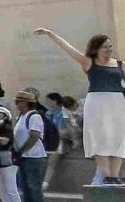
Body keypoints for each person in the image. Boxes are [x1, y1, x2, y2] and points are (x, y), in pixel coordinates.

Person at [35, 27, 125, 186]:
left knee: (118, 138)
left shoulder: (119, 64)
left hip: (116, 101)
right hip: (97, 102)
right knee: (100, 138)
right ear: (96, 48)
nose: (109, 49)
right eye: (105, 47)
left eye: (110, 46)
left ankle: (115, 175)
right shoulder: (89, 62)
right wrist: (50, 34)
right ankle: (106, 175)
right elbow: (68, 48)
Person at [12, 90, 52, 202]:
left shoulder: (34, 117)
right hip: (24, 157)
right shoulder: (21, 117)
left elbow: (34, 136)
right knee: (25, 186)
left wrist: (21, 150)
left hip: (34, 157)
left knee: (34, 185)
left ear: (26, 103)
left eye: (18, 101)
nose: (16, 104)